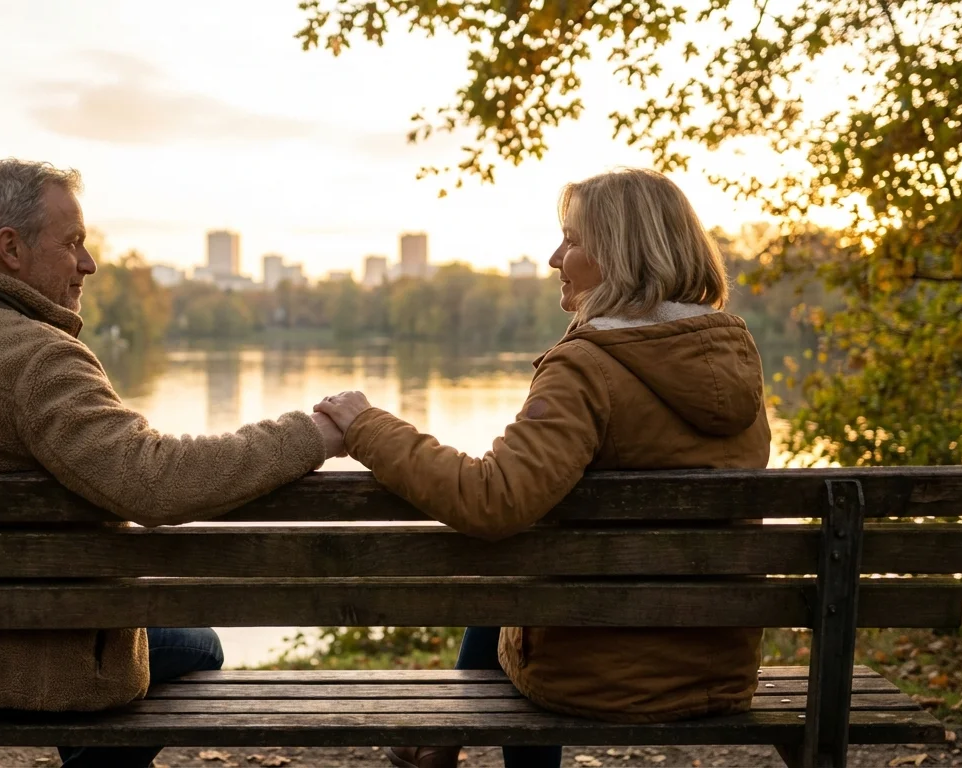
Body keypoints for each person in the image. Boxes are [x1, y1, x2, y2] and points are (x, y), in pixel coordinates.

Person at [0, 158, 345, 768]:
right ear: (10, 249)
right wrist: (309, 434)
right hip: (25, 666)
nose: (89, 263)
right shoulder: (41, 359)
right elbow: (155, 480)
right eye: (73, 242)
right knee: (200, 647)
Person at [315, 168, 773, 768]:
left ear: (618, 255)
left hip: (595, 676)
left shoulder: (587, 368)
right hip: (719, 669)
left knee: (514, 550)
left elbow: (490, 500)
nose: (555, 257)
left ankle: (439, 743)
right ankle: (439, 742)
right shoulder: (730, 359)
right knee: (533, 553)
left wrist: (366, 427)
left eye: (571, 240)